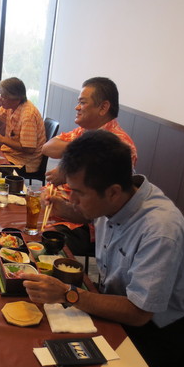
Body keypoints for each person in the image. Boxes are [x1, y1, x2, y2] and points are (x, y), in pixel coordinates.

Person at [22, 130, 184, 367]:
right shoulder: (120, 196)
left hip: (150, 331)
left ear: (113, 192)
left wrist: (66, 294)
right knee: (29, 316)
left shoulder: (159, 231)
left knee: (43, 356)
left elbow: (139, 313)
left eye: (79, 193)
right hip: (111, 296)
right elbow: (89, 215)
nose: (73, 200)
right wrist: (64, 207)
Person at [42, 77, 138, 255]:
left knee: (34, 243)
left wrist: (68, 170)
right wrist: (82, 147)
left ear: (103, 107)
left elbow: (104, 207)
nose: (76, 107)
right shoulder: (84, 132)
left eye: (82, 102)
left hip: (84, 224)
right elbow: (47, 147)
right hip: (57, 204)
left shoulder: (119, 145)